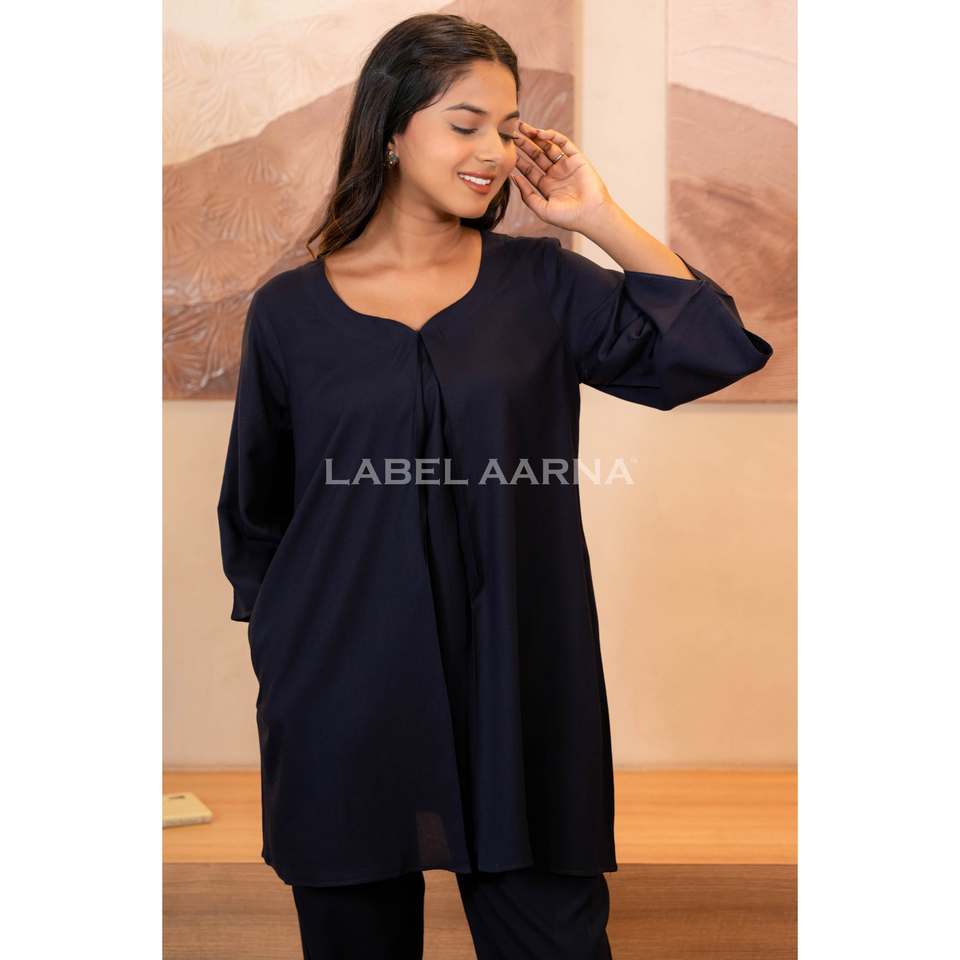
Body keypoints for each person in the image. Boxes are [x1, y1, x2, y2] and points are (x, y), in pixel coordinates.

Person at [217, 13, 773, 960]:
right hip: (343, 695)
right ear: (392, 131)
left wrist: (599, 218)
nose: (493, 152)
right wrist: (292, 661)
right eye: (465, 124)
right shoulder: (289, 313)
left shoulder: (544, 286)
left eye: (509, 129)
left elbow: (714, 348)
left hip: (523, 688)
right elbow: (256, 515)